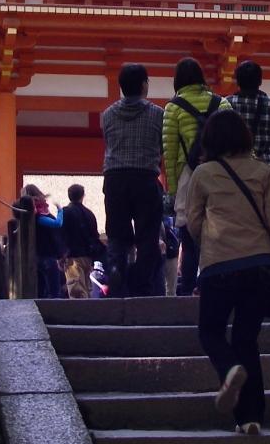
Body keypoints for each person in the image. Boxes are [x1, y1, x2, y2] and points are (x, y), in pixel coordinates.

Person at [185, 109, 270, 435]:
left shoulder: (202, 174)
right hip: (260, 266)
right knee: (246, 338)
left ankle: (229, 368)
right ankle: (250, 417)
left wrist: (210, 240)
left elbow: (193, 222)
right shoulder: (263, 171)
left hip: (219, 266)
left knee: (210, 331)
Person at [162, 58, 232, 296]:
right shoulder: (222, 103)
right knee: (219, 235)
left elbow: (170, 154)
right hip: (220, 174)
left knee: (189, 240)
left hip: (188, 177)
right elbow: (233, 143)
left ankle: (188, 294)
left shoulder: (173, 108)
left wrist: (173, 190)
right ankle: (216, 288)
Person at [100, 63, 165, 297]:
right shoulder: (158, 114)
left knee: (117, 234)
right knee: (148, 235)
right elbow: (161, 147)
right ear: (144, 85)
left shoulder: (107, 114)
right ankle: (141, 283)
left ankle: (116, 271)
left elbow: (108, 141)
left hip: (115, 178)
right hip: (145, 177)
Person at [226, 60, 270, 210]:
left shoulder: (228, 104)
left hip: (235, 171)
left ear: (237, 81)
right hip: (266, 168)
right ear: (260, 81)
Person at [61, 183, 104, 299]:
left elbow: (62, 234)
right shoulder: (89, 214)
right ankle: (90, 308)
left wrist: (61, 254)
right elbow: (94, 235)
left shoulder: (66, 212)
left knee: (76, 288)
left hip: (72, 256)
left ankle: (80, 310)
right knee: (87, 287)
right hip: (88, 255)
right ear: (82, 196)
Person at [23, 184, 66, 299]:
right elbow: (57, 223)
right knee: (54, 289)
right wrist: (60, 210)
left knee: (41, 289)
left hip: (36, 255)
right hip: (47, 255)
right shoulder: (40, 217)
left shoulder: (28, 216)